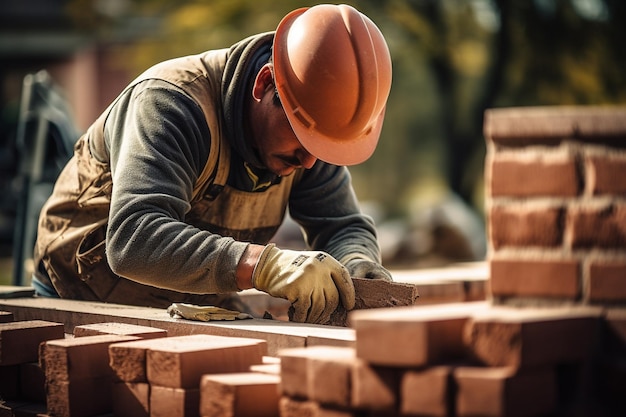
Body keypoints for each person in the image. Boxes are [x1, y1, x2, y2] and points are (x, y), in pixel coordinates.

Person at [32, 4, 393, 325]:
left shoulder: (312, 131)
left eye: (323, 147)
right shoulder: (170, 105)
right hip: (80, 300)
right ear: (265, 83)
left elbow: (341, 225)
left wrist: (356, 262)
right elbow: (132, 238)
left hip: (189, 305)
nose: (310, 160)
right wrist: (263, 266)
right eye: (302, 137)